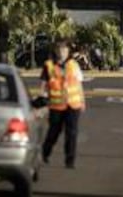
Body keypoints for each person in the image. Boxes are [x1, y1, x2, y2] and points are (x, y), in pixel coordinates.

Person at [40, 38, 85, 169]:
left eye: (64, 49)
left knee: (72, 133)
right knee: (53, 132)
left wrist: (82, 100)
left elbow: (79, 83)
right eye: (59, 49)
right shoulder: (49, 65)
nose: (62, 52)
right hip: (56, 105)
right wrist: (42, 102)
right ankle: (45, 153)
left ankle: (70, 161)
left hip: (73, 105)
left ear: (68, 51)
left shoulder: (73, 65)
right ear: (55, 51)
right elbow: (43, 86)